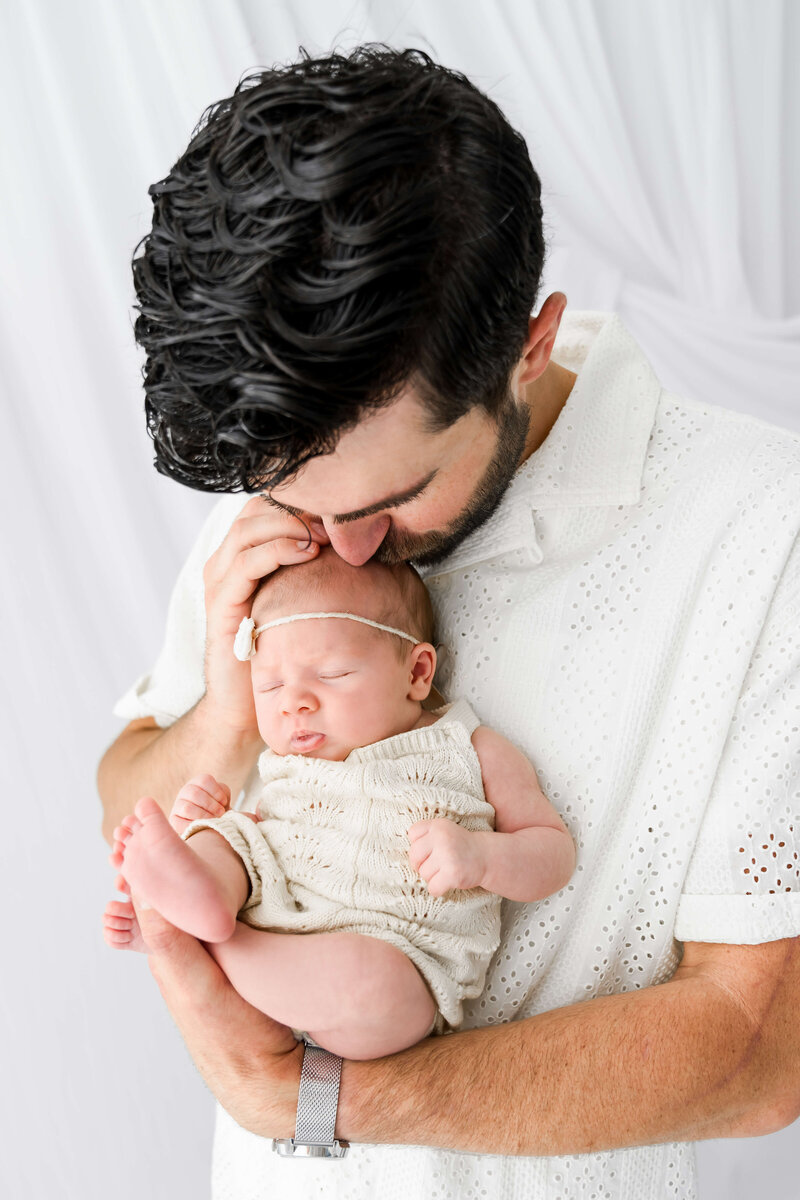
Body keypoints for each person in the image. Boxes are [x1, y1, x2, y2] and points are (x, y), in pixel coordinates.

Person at [98, 43, 800, 1200]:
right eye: (298, 502)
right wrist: (226, 718)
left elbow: (761, 1047)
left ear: (526, 344)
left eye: (388, 502)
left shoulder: (760, 533)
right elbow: (125, 810)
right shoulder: (299, 474)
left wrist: (320, 1100)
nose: (343, 546)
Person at [103, 548, 575, 1060]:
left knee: (377, 988)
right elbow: (266, 850)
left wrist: (482, 857)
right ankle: (196, 889)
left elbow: (553, 853)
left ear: (417, 673)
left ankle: (199, 938)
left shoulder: (467, 748)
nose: (293, 702)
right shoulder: (285, 765)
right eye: (271, 685)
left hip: (396, 955)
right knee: (234, 836)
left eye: (330, 674)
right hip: (275, 903)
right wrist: (205, 826)